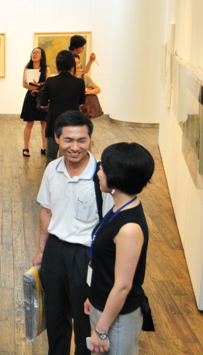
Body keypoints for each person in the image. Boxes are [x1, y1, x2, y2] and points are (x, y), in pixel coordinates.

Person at [31, 110, 114, 355]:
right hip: (54, 251)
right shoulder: (52, 169)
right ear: (57, 138)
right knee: (55, 318)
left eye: (82, 140)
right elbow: (46, 212)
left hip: (86, 257)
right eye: (68, 140)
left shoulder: (102, 176)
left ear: (90, 139)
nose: (75, 147)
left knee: (85, 321)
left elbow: (111, 228)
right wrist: (41, 250)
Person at [84, 142, 154, 354]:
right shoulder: (119, 207)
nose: (98, 172)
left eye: (103, 168)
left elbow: (123, 286)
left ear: (116, 178)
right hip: (104, 307)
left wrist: (102, 329)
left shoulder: (129, 228)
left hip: (117, 319)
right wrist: (93, 297)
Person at [39, 50, 86, 165]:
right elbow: (81, 103)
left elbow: (43, 104)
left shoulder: (50, 82)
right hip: (73, 124)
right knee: (70, 159)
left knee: (50, 159)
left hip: (54, 123)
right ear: (72, 65)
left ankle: (51, 177)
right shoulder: (79, 82)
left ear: (57, 64)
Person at [19, 47, 49, 157]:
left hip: (42, 97)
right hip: (31, 97)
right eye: (33, 52)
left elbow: (47, 84)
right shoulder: (27, 68)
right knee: (29, 123)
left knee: (44, 123)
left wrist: (39, 86)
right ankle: (26, 147)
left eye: (37, 52)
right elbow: (25, 84)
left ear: (41, 56)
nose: (34, 54)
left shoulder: (46, 68)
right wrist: (37, 89)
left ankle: (44, 147)